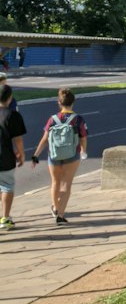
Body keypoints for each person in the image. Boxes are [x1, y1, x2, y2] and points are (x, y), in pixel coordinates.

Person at [31, 88, 87, 225]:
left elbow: (45, 138)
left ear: (59, 103)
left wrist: (35, 155)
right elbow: (83, 137)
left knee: (55, 182)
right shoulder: (78, 119)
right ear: (73, 102)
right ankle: (61, 215)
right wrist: (83, 151)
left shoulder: (53, 119)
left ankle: (55, 207)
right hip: (72, 154)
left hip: (54, 155)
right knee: (66, 184)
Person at [0, 84, 27, 230]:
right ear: (10, 98)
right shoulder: (13, 115)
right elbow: (18, 139)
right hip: (5, 157)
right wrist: (21, 154)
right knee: (7, 186)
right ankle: (5, 218)